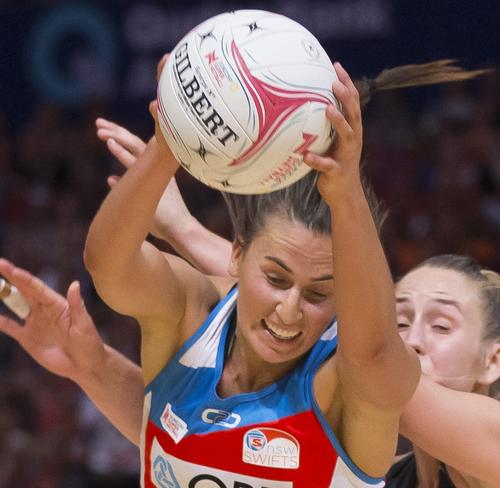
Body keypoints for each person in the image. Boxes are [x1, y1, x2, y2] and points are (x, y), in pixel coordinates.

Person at [96, 120, 500, 487]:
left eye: (442, 326)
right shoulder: (380, 462)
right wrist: (89, 365)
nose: (410, 339)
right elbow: (298, 293)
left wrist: (189, 232)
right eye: (400, 318)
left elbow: (364, 343)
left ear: (493, 361)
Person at [82, 56, 420, 488]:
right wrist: (168, 148)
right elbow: (108, 267)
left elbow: (373, 350)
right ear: (237, 255)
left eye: (319, 295)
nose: (289, 310)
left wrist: (347, 195)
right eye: (276, 279)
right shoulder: (193, 317)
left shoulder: (345, 385)